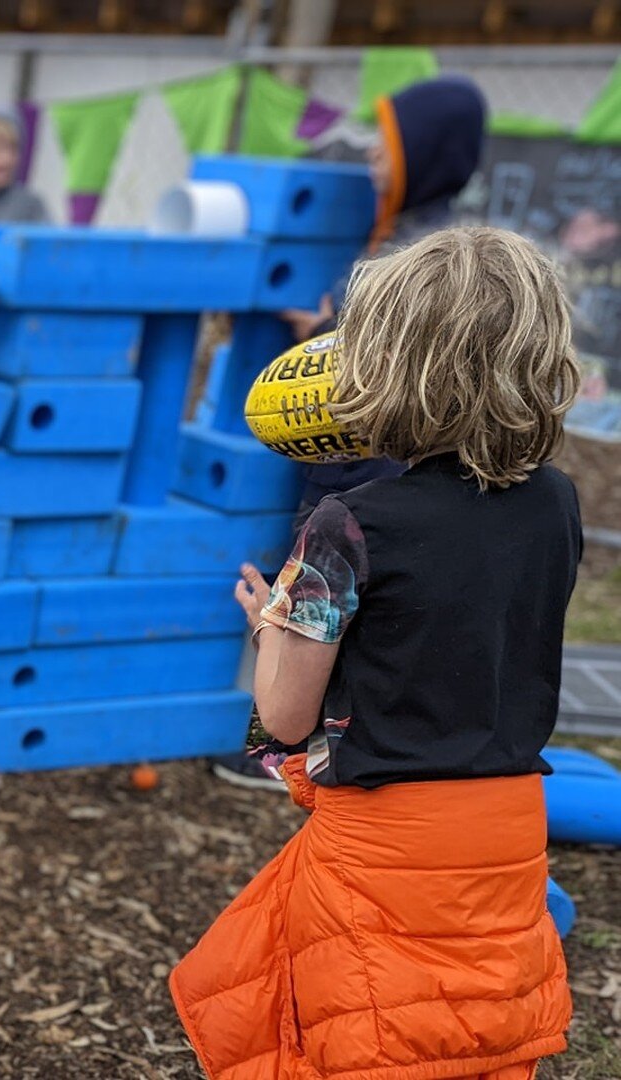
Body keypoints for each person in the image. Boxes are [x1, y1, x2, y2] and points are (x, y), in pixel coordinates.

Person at [171, 226, 581, 1080]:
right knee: (478, 1038)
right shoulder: (557, 503)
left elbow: (285, 716)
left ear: (391, 367)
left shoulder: (348, 524)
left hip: (385, 848)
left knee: (357, 1041)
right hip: (505, 837)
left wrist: (271, 627)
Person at [211, 74, 487, 789]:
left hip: (366, 466)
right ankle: (283, 748)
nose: (372, 158)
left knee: (318, 613)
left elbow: (387, 347)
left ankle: (280, 753)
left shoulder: (424, 251)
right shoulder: (400, 230)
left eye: (388, 146)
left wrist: (323, 331)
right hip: (348, 460)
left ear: (426, 155)